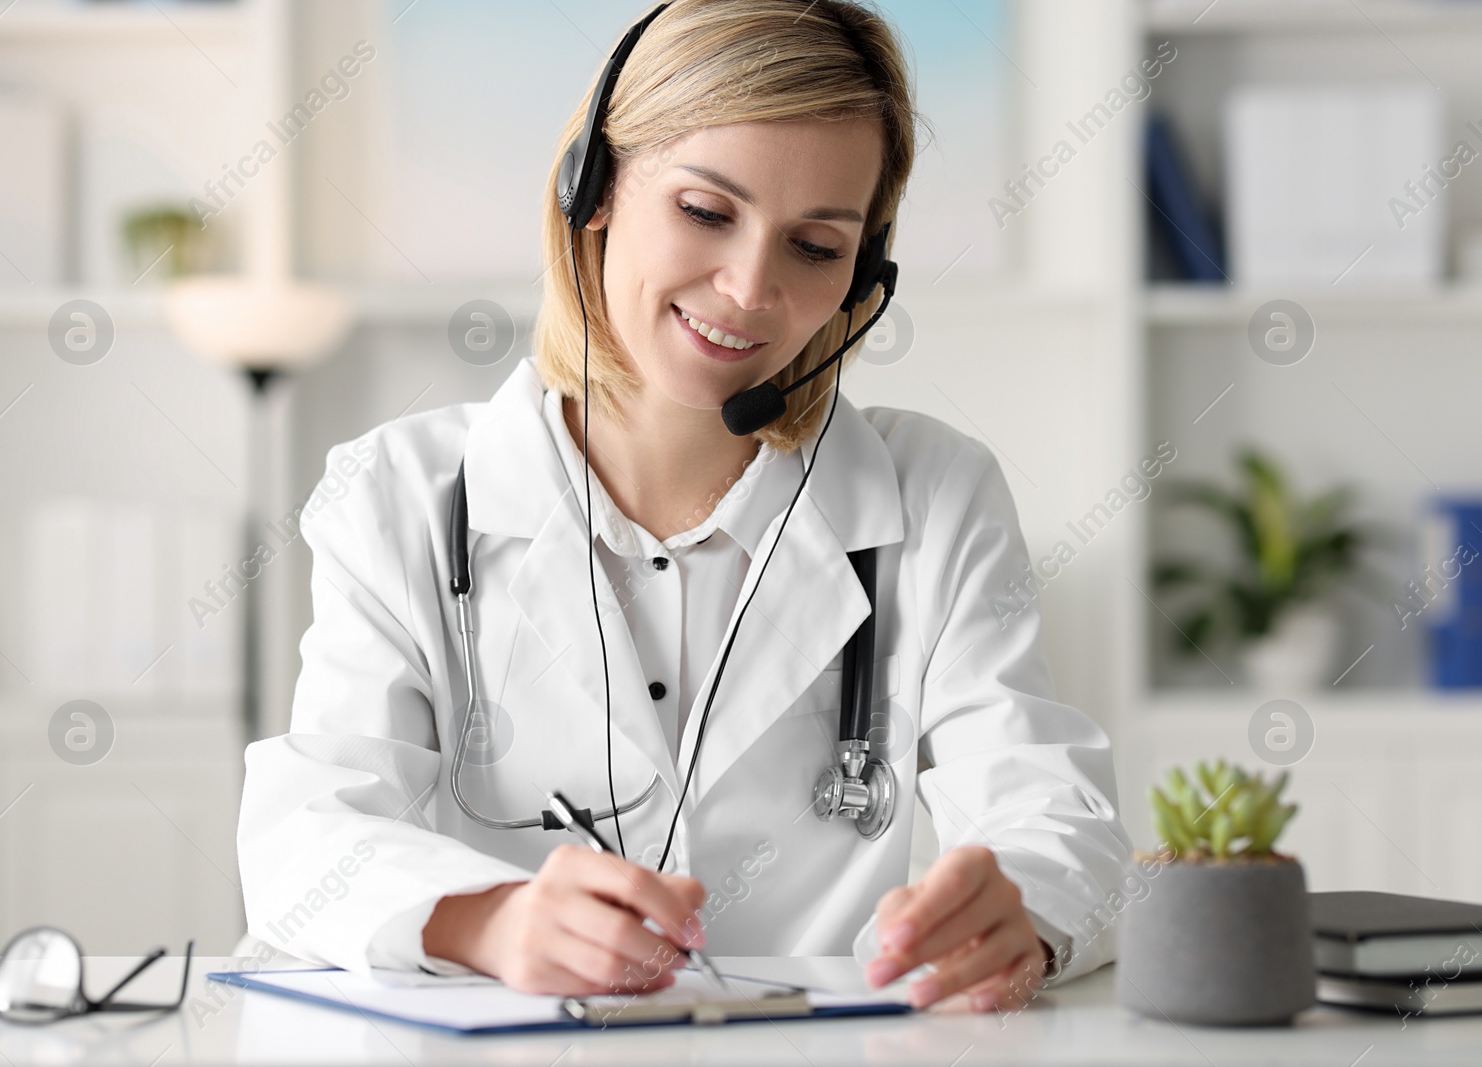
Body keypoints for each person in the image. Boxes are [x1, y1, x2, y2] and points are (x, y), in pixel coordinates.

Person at [236, 0, 1133, 1015]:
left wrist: (1021, 911)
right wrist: (489, 920)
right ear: (595, 186)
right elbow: (306, 831)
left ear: (862, 281)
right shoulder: (399, 494)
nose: (750, 287)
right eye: (707, 212)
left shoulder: (934, 493)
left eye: (814, 245)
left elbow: (1056, 811)